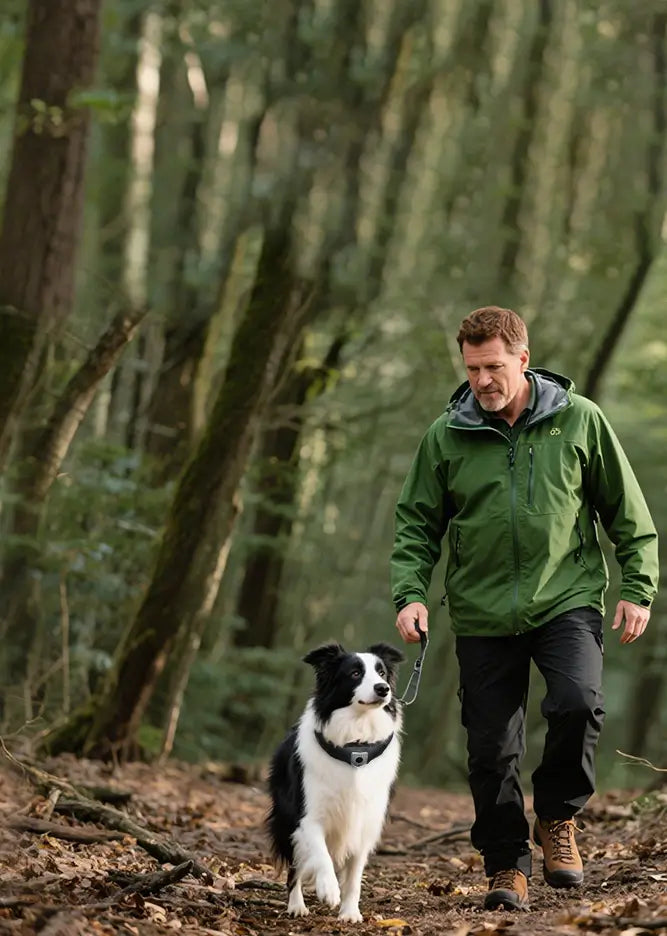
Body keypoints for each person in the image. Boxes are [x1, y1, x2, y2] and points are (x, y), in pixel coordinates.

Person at [391, 306, 658, 911]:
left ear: (522, 360)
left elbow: (628, 514)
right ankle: (505, 864)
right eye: (472, 367)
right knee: (491, 747)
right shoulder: (447, 434)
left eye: (493, 367)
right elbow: (416, 525)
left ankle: (557, 819)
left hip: (566, 597)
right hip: (483, 612)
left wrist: (638, 588)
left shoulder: (579, 421)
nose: (482, 380)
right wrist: (410, 593)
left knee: (579, 703)